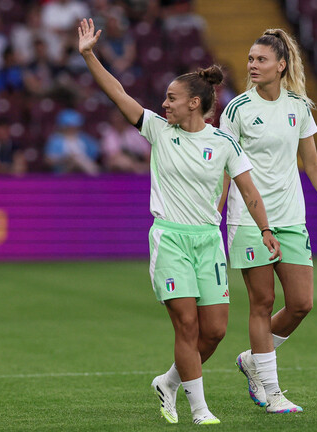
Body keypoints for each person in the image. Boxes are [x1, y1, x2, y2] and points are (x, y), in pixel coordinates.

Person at [78, 18, 281, 425]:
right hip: (170, 239)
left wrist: (264, 228)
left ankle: (169, 381)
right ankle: (199, 409)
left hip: (209, 241)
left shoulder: (223, 142)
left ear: (194, 103)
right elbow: (118, 92)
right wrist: (89, 55)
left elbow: (248, 190)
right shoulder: (157, 129)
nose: (164, 104)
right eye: (164, 98)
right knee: (186, 325)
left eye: (171, 98)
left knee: (215, 331)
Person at [218, 28, 317, 414]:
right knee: (263, 301)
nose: (252, 65)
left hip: (292, 217)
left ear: (281, 65)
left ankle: (254, 359)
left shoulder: (299, 107)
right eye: (251, 59)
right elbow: (225, 167)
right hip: (249, 219)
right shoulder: (237, 109)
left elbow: (312, 163)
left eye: (261, 60)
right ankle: (272, 391)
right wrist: (216, 211)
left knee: (302, 303)